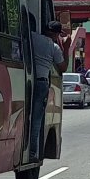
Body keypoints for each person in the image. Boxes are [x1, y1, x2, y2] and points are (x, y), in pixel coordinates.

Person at [29, 19, 71, 163]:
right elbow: (63, 67)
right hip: (41, 83)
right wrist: (66, 47)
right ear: (57, 34)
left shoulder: (32, 37)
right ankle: (33, 151)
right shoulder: (54, 47)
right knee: (36, 118)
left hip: (26, 79)